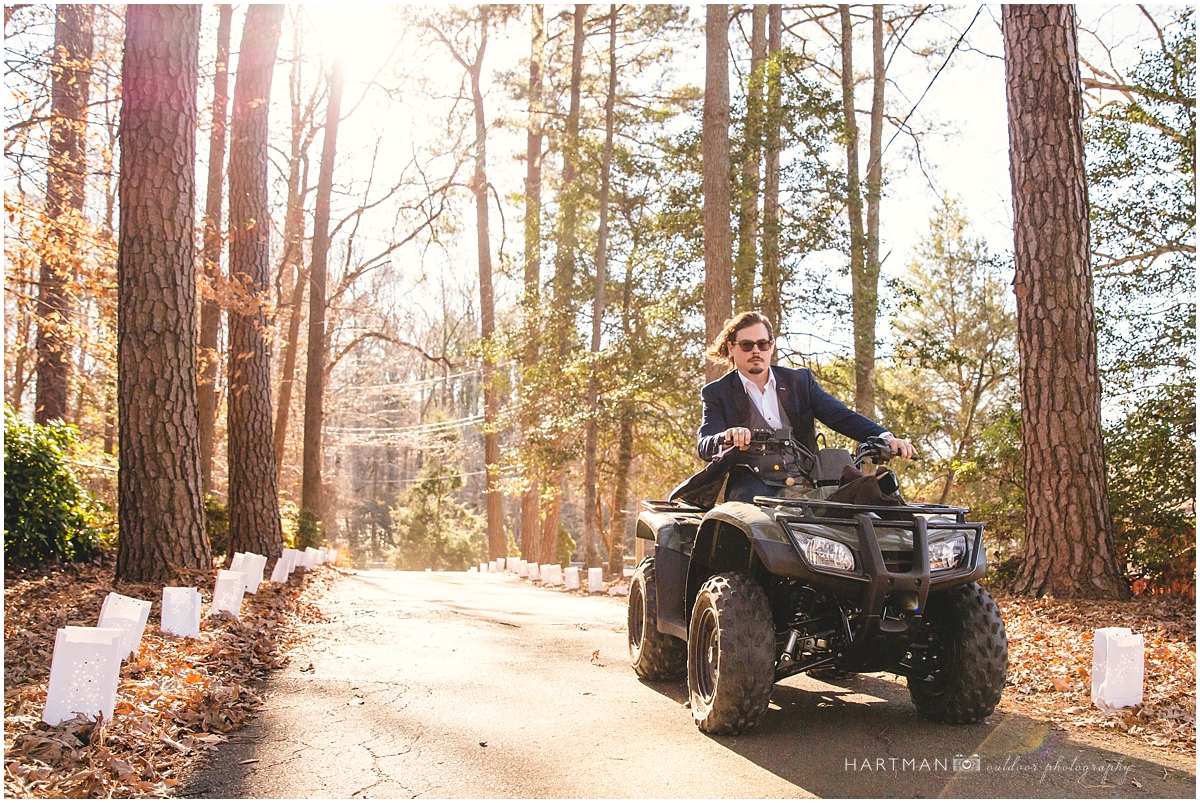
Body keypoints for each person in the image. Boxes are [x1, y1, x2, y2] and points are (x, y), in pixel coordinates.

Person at [697, 311, 915, 503]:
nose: (756, 350)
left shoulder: (799, 381)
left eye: (763, 344)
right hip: (754, 484)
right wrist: (726, 437)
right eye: (747, 345)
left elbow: (841, 416)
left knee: (869, 502)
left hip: (811, 481)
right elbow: (705, 446)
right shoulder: (718, 392)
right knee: (752, 524)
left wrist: (885, 437)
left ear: (770, 346)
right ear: (731, 348)